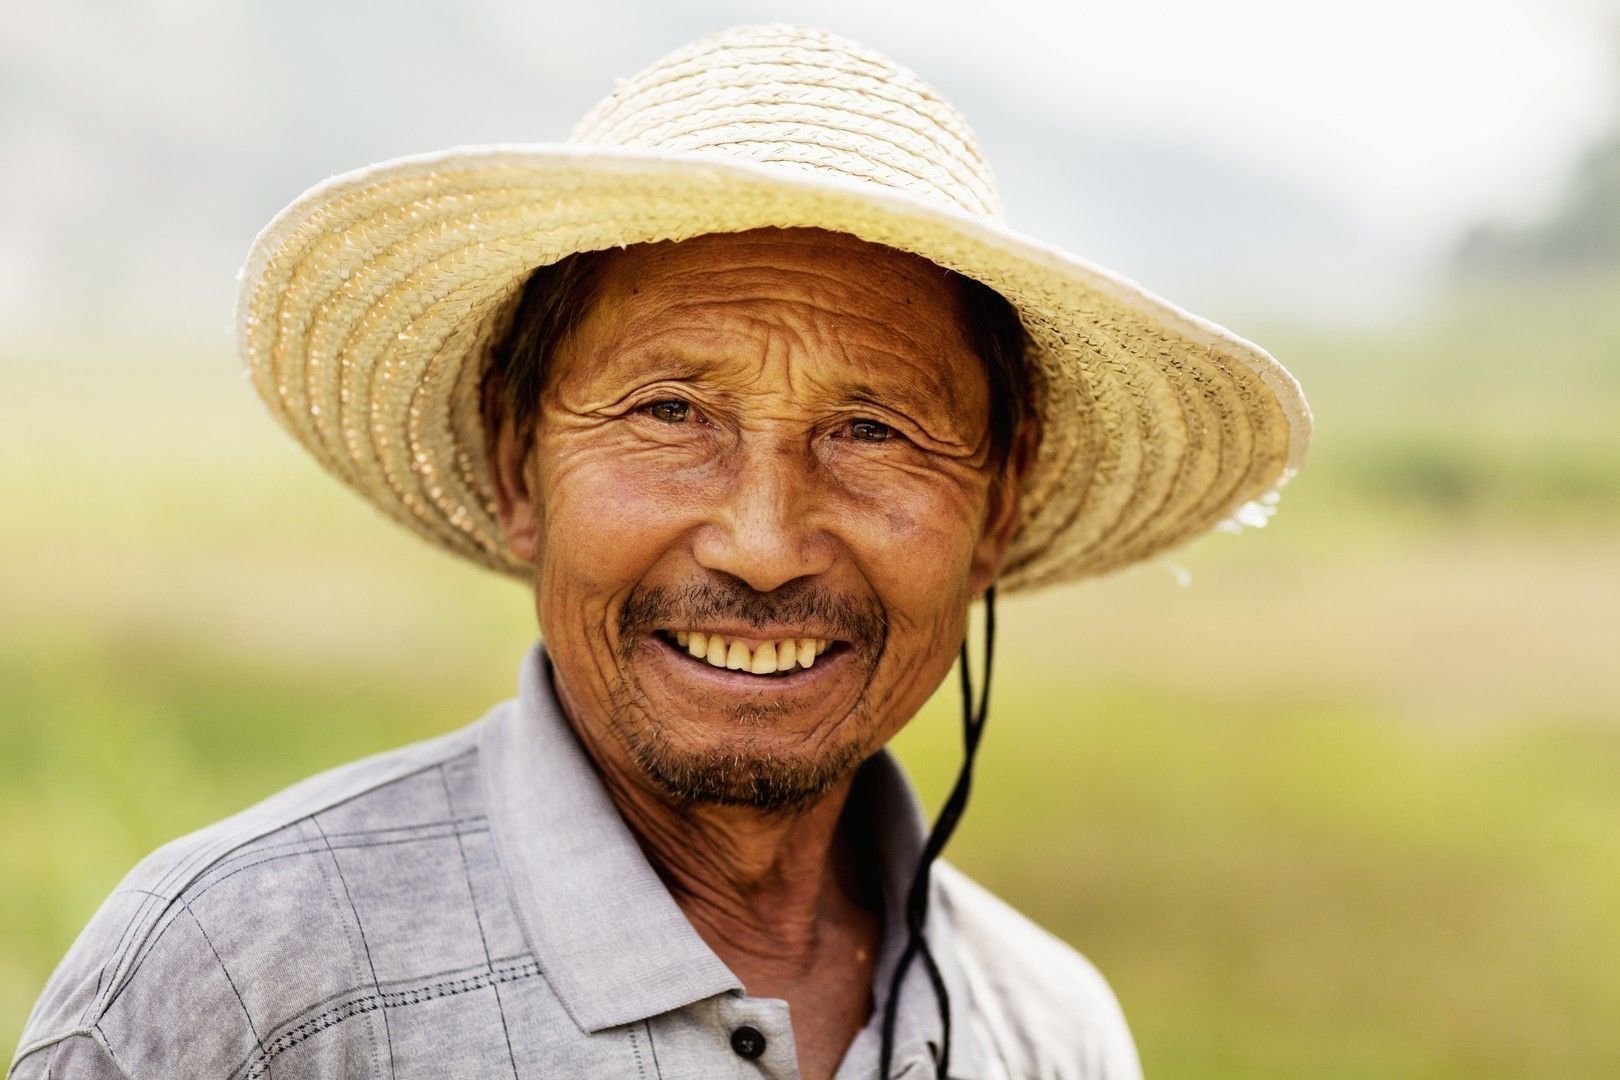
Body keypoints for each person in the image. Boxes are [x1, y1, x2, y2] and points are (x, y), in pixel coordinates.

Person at [10, 22, 1311, 1080]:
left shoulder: (1047, 1035)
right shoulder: (244, 986)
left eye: (871, 429)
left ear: (999, 509)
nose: (760, 541)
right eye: (667, 411)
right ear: (519, 464)